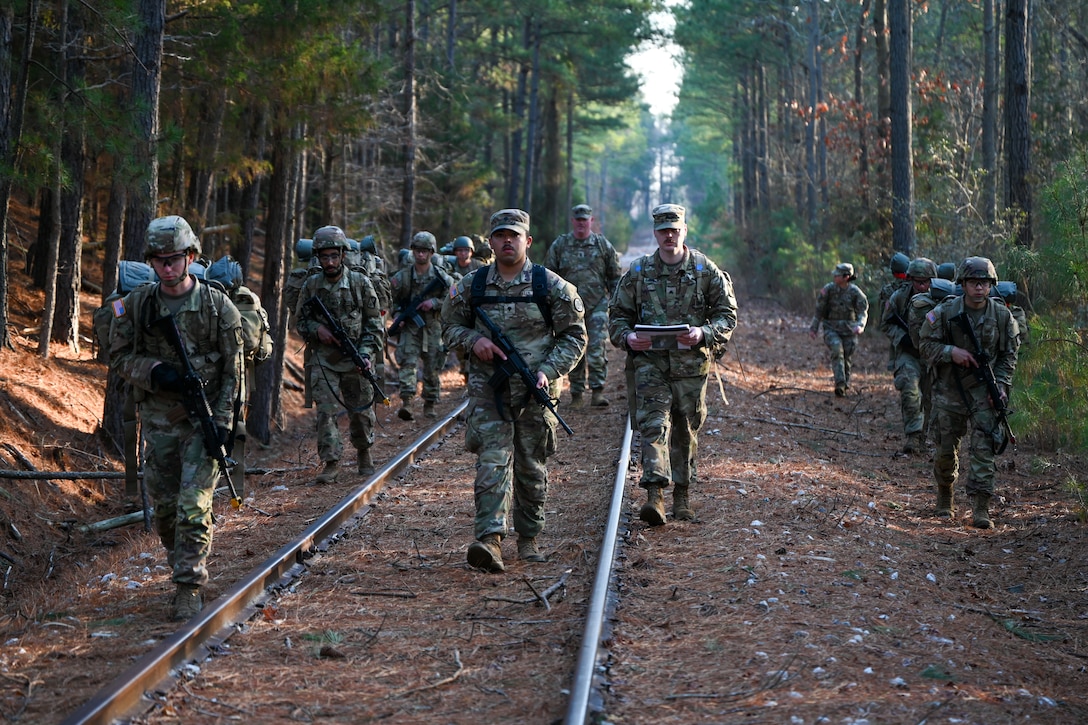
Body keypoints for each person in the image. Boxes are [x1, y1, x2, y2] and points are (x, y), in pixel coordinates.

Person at [109, 215, 244, 621]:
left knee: (193, 506)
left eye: (175, 259)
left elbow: (233, 371)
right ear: (151, 262)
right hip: (160, 422)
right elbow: (118, 356)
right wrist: (154, 372)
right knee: (167, 512)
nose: (167, 267)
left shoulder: (219, 306)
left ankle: (189, 585)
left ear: (191, 257)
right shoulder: (135, 305)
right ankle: (179, 560)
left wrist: (222, 423)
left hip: (204, 423)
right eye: (160, 260)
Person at [441, 208, 586, 572]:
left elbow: (574, 336)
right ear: (490, 242)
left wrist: (548, 371)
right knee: (491, 461)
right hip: (489, 392)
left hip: (535, 392)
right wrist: (473, 340)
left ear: (528, 241)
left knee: (531, 467)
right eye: (501, 235)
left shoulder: (549, 285)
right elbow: (448, 327)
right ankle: (489, 539)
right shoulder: (470, 286)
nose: (508, 241)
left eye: (515, 235)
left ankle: (529, 537)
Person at [608, 204, 738, 526]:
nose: (669, 235)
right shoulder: (638, 273)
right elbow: (617, 318)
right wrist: (627, 338)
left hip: (691, 367)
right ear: (655, 233)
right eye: (664, 230)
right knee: (653, 426)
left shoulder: (705, 270)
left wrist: (703, 333)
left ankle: (682, 494)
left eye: (675, 229)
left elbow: (728, 314)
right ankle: (655, 495)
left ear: (684, 231)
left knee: (684, 430)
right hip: (650, 364)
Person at [919, 256, 1019, 529]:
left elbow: (1009, 355)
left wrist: (999, 385)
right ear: (963, 284)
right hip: (949, 389)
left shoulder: (1001, 315)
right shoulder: (946, 312)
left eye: (984, 283)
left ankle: (981, 507)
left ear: (991, 286)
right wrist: (952, 352)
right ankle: (944, 496)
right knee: (945, 449)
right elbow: (925, 344)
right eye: (974, 282)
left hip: (984, 392)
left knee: (983, 448)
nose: (979, 288)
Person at [293, 225, 385, 483]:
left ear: (343, 255)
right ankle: (331, 461)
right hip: (325, 360)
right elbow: (301, 321)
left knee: (361, 411)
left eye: (334, 256)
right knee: (326, 411)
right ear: (318, 258)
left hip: (357, 357)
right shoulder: (311, 286)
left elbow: (374, 325)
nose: (330, 262)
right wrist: (317, 329)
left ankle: (364, 451)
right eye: (324, 257)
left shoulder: (360, 283)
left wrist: (366, 353)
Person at [544, 203, 622, 409]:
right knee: (573, 349)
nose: (581, 223)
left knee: (596, 348)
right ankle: (576, 394)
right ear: (573, 221)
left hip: (596, 306)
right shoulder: (561, 245)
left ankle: (597, 391)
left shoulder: (602, 245)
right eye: (577, 219)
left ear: (591, 221)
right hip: (568, 309)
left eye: (584, 219)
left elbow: (614, 277)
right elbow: (548, 276)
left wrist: (616, 304)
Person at [388, 231, 455, 420]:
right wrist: (398, 314)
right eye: (417, 251)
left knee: (432, 367)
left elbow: (454, 298)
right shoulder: (403, 277)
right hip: (411, 327)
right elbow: (390, 298)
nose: (420, 255)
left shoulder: (441, 277)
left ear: (431, 253)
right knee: (407, 364)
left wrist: (433, 303)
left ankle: (430, 404)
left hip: (433, 327)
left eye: (424, 251)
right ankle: (407, 403)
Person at [880, 257, 936, 454]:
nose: (922, 286)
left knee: (929, 398)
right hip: (908, 353)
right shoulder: (899, 297)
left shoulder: (942, 298)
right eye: (917, 281)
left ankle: (923, 438)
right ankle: (913, 436)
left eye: (926, 281)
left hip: (933, 356)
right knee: (910, 389)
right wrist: (901, 338)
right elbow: (885, 323)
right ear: (910, 279)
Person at [810, 262, 869, 396]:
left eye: (837, 275)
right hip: (831, 328)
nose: (834, 277)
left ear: (846, 277)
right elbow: (819, 310)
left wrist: (860, 325)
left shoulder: (855, 292)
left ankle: (844, 384)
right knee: (837, 351)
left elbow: (862, 311)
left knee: (847, 357)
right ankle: (840, 384)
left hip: (849, 330)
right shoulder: (828, 290)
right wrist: (814, 328)